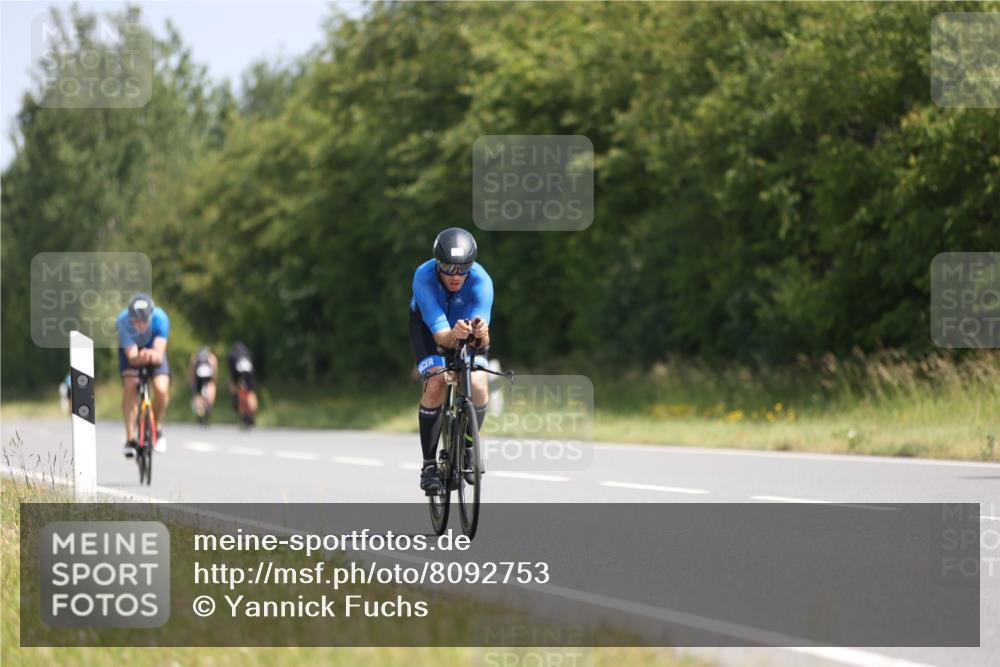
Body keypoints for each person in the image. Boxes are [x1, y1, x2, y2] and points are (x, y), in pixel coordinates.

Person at [409, 227, 493, 494]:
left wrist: (481, 334)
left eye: (463, 267)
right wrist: (454, 336)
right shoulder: (423, 276)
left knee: (479, 385)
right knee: (435, 381)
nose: (455, 275)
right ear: (437, 263)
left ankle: (468, 444)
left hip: (465, 328)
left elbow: (483, 341)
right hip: (429, 328)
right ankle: (429, 465)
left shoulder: (482, 280)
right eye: (447, 267)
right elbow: (443, 337)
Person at [117, 292, 170, 456]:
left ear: (151, 314)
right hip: (133, 354)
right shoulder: (123, 320)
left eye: (144, 320)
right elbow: (131, 357)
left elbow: (159, 353)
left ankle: (155, 426)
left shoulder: (161, 318)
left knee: (161, 389)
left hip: (154, 351)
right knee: (130, 384)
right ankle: (130, 438)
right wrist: (139, 357)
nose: (140, 324)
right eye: (136, 321)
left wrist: (152, 355)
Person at [228, 341, 259, 424]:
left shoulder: (232, 355)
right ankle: (252, 413)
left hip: (237, 373)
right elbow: (254, 366)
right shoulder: (249, 354)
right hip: (249, 374)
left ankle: (236, 400)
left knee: (234, 386)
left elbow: (231, 371)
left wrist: (234, 383)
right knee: (250, 392)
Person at [188, 346, 218, 421]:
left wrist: (192, 382)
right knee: (211, 388)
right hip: (208, 377)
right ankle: (209, 405)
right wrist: (214, 381)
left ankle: (199, 411)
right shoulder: (212, 357)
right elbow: (214, 371)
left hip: (198, 377)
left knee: (198, 395)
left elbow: (192, 371)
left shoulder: (195, 357)